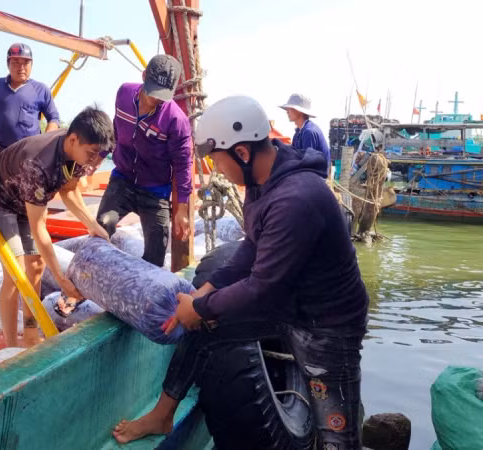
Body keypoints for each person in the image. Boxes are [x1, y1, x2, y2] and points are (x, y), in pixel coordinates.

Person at [112, 96, 368, 449]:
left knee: (336, 436)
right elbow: (251, 246)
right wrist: (208, 289)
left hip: (327, 326)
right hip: (287, 306)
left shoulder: (296, 198)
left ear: (242, 153)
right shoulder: (264, 183)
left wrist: (200, 307)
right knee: (205, 327)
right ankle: (162, 414)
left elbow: (262, 287)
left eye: (217, 160)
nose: (217, 170)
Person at [0, 107, 114, 348]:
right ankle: (11, 344)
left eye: (101, 156)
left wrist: (92, 225)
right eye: (92, 154)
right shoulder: (38, 163)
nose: (95, 162)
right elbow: (39, 226)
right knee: (16, 271)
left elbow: (69, 189)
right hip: (0, 201)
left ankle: (30, 333)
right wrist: (62, 280)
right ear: (73, 140)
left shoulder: (78, 151)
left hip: (26, 200)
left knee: (36, 266)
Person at [95, 54, 192, 269]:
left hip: (155, 190)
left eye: (163, 95)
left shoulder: (177, 120)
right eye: (153, 91)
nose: (156, 99)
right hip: (123, 180)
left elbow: (183, 165)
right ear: (144, 75)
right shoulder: (124, 93)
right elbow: (115, 129)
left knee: (157, 252)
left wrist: (182, 211)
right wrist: (99, 158)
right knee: (101, 228)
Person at [0, 43, 60, 168]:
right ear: (8, 64)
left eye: (26, 63)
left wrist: (45, 141)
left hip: (28, 158)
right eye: (16, 62)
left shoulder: (41, 90)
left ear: (32, 65)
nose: (21, 67)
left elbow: (54, 118)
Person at [280, 93, 331, 176]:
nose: (287, 112)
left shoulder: (309, 132)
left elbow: (307, 164)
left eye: (289, 109)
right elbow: (294, 156)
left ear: (299, 111)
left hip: (317, 177)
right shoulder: (299, 132)